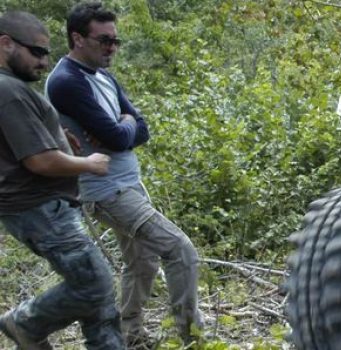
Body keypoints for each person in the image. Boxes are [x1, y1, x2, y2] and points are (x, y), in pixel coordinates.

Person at [46, 3, 203, 348]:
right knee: (180, 250)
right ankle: (193, 337)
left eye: (116, 41)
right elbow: (119, 137)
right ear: (77, 38)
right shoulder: (65, 82)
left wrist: (125, 123)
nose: (112, 48)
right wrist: (123, 126)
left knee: (142, 261)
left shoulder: (103, 76)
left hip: (127, 183)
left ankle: (131, 337)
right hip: (106, 190)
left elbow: (138, 130)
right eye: (104, 41)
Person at [0, 10, 123, 350]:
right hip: (38, 208)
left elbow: (25, 146)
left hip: (44, 206)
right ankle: (25, 322)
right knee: (95, 284)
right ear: (6, 43)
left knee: (96, 296)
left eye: (46, 53)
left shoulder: (12, 89)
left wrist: (54, 137)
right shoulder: (7, 90)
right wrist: (87, 163)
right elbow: (39, 161)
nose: (43, 61)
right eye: (36, 51)